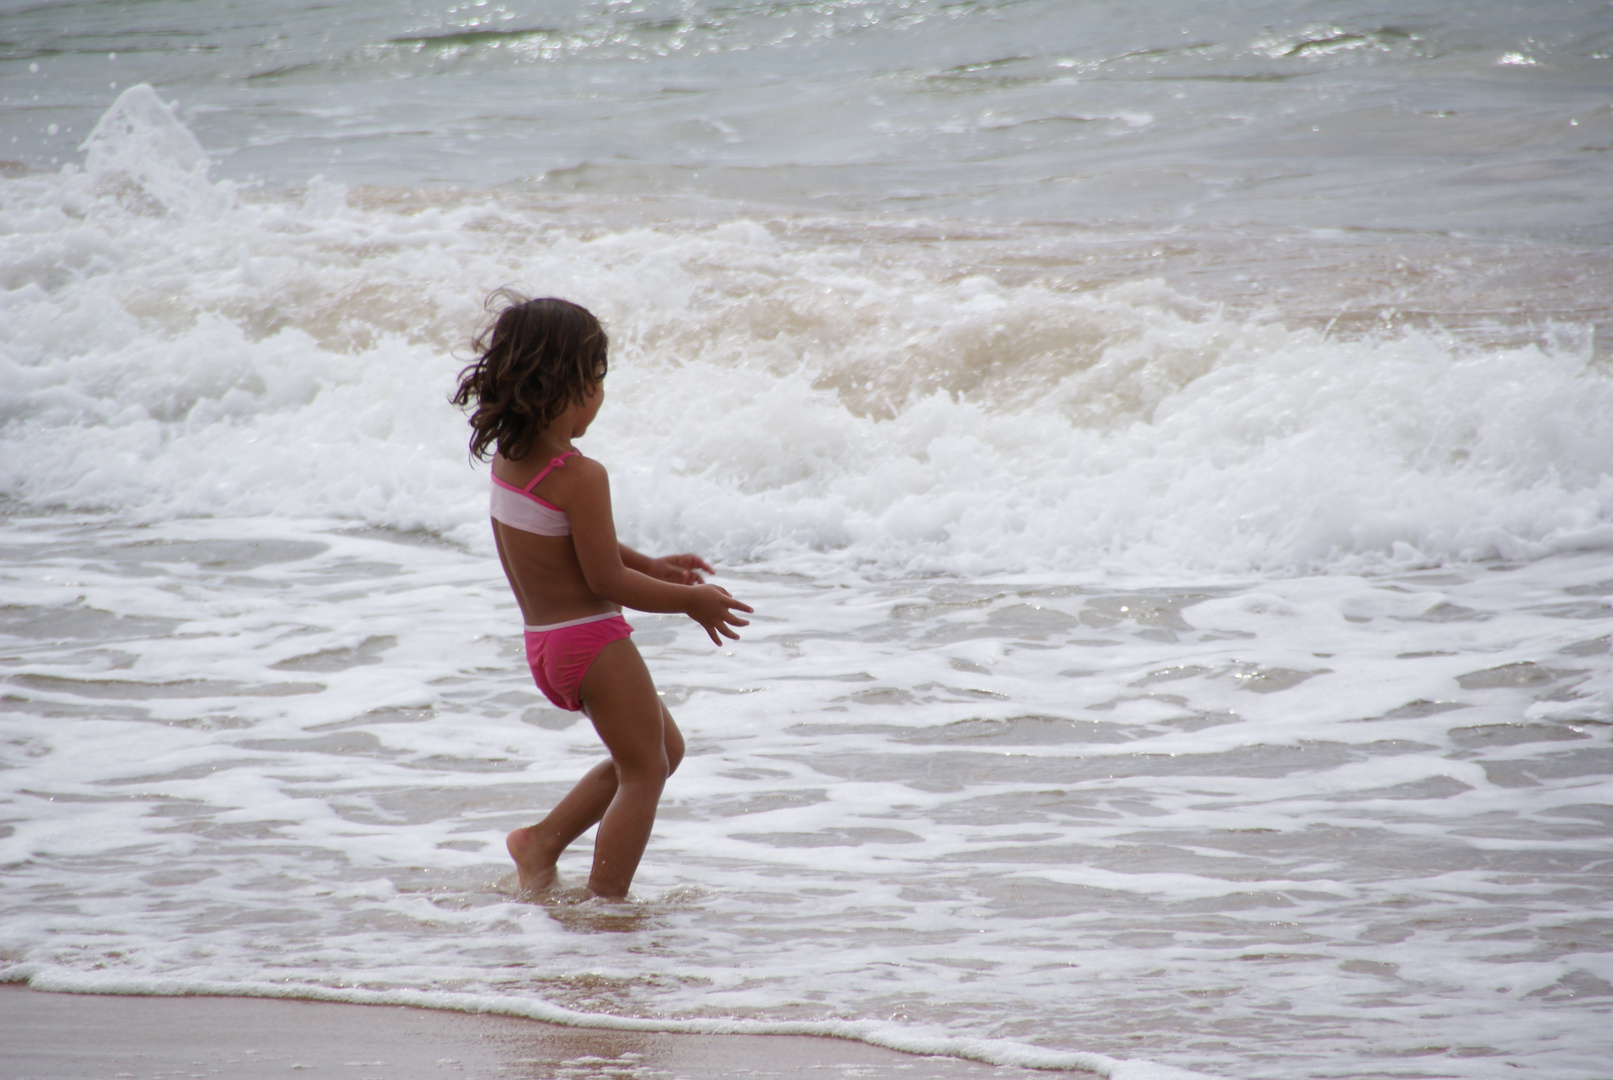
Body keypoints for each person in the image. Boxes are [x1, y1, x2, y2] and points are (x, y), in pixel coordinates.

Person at [452, 294, 752, 899]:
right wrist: (692, 602)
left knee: (661, 750)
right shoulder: (582, 474)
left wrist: (657, 568)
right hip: (593, 641)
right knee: (645, 771)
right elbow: (605, 581)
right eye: (598, 377)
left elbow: (584, 548)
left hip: (549, 643)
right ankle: (607, 906)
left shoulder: (515, 462)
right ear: (569, 384)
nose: (601, 392)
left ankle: (540, 842)